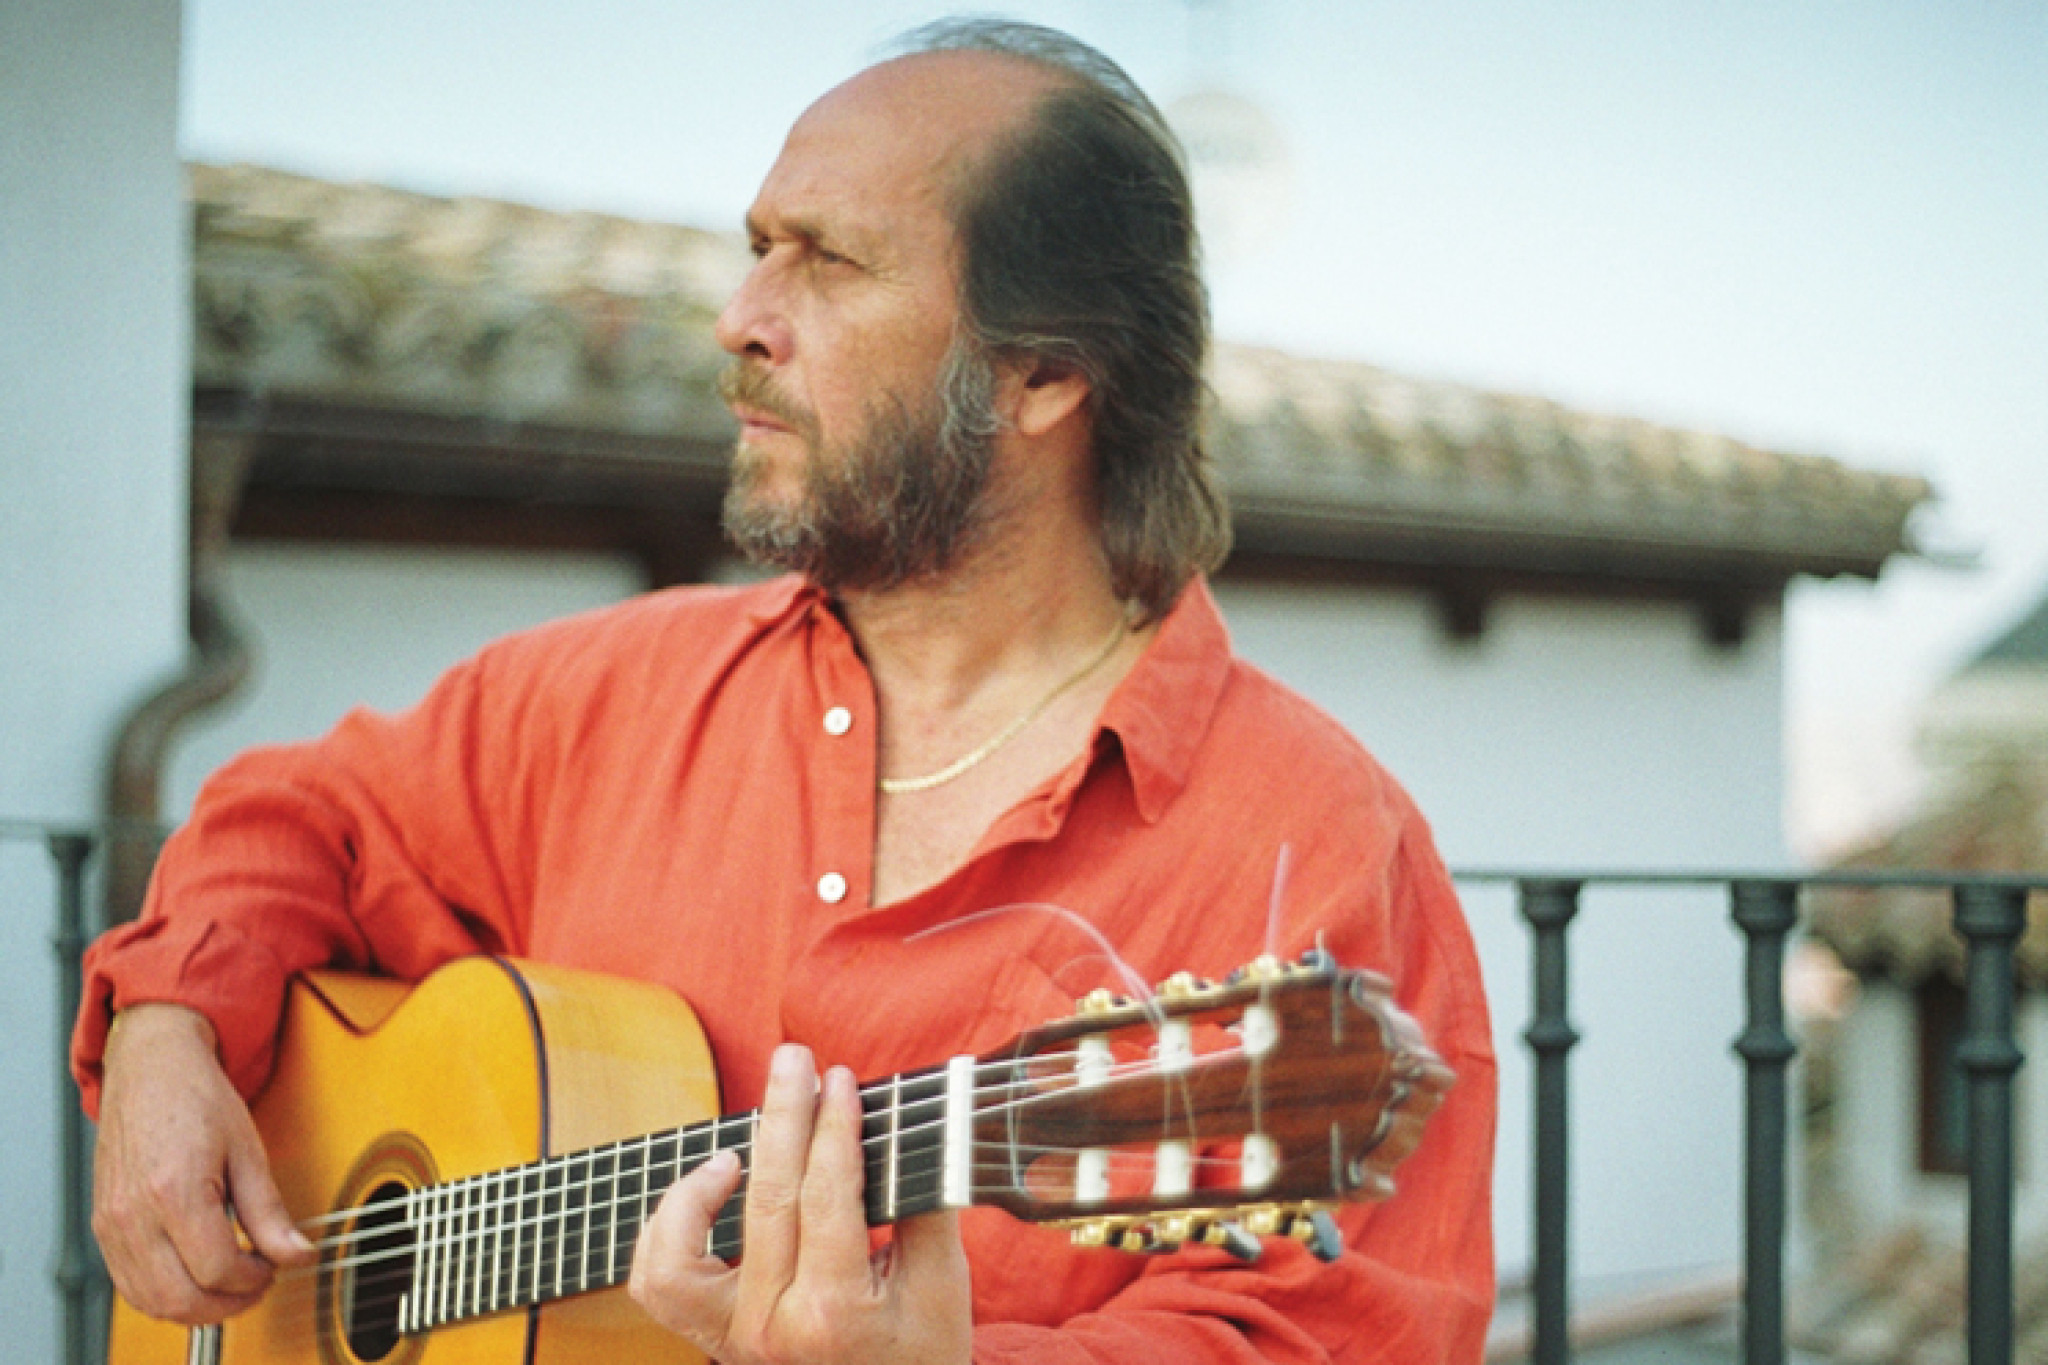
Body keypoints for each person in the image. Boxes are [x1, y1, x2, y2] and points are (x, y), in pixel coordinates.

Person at [74, 18, 1496, 1365]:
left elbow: (1330, 1336)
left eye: (828, 262)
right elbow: (296, 813)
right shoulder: (605, 692)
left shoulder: (1316, 847)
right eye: (758, 248)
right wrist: (166, 1030)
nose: (738, 318)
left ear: (1047, 371)